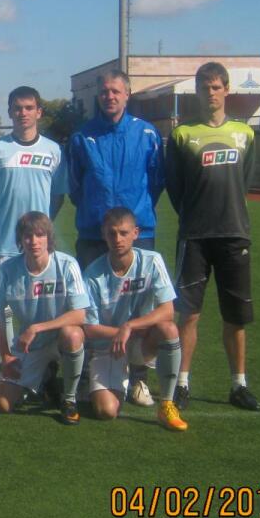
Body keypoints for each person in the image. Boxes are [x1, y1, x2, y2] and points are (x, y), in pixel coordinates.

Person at [165, 61, 260, 411]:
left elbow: (244, 181)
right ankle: (181, 383)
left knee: (235, 316)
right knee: (188, 314)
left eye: (216, 87)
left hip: (234, 234)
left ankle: (238, 385)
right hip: (194, 236)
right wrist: (195, 215)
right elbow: (174, 187)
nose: (211, 93)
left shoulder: (244, 133)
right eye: (204, 87)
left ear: (227, 90)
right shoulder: (182, 134)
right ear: (196, 92)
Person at [66, 69, 164, 408]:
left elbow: (156, 181)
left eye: (116, 91)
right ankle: (88, 373)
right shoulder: (82, 137)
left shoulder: (147, 133)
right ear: (99, 95)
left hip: (138, 234)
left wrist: (132, 222)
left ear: (127, 94)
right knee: (89, 306)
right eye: (105, 91)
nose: (110, 96)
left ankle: (138, 377)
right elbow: (75, 187)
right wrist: (99, 217)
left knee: (141, 305)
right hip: (94, 234)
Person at [81, 207, 187, 431]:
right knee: (106, 411)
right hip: (109, 347)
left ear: (136, 233)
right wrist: (120, 333)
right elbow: (89, 328)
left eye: (124, 233)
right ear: (103, 234)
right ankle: (118, 380)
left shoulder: (152, 261)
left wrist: (129, 327)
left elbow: (168, 310)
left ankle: (166, 404)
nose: (118, 239)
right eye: (112, 233)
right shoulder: (92, 273)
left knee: (168, 329)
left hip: (141, 340)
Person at [0, 212, 87, 425]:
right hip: (31, 345)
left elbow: (80, 314)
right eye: (27, 236)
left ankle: (69, 399)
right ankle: (45, 377)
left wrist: (37, 328)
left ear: (49, 238)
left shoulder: (67, 264)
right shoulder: (7, 269)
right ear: (20, 239)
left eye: (40, 235)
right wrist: (6, 355)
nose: (34, 241)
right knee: (2, 404)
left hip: (61, 338)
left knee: (72, 334)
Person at [0, 86, 67, 285]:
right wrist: (3, 219)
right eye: (17, 108)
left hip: (41, 245)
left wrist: (41, 225)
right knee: (2, 302)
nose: (23, 113)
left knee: (41, 301)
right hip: (4, 245)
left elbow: (58, 195)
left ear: (39, 112)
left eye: (29, 108)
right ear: (10, 112)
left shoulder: (54, 150)